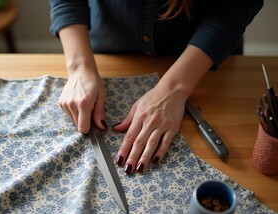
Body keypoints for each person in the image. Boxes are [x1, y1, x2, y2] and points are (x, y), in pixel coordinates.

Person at [48, 0, 263, 175]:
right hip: (109, 47)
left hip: (204, 60)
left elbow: (236, 5)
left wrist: (174, 88)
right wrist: (79, 67)